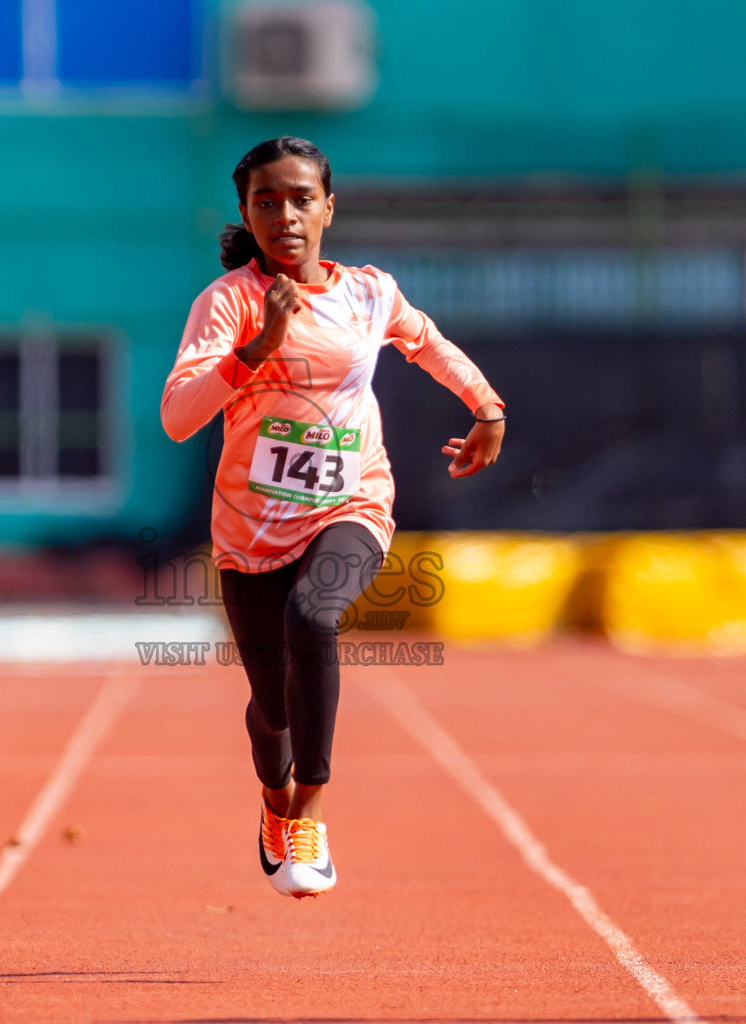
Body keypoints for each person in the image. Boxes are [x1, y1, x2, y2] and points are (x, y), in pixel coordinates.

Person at [161, 137, 505, 898]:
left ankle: (311, 810)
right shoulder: (227, 304)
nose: (284, 215)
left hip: (352, 504)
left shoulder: (369, 292)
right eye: (265, 202)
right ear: (247, 214)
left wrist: (485, 404)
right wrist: (257, 348)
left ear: (328, 207)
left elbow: (425, 341)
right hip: (250, 531)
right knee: (271, 710)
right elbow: (180, 418)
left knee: (314, 620)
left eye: (300, 199)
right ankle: (276, 801)